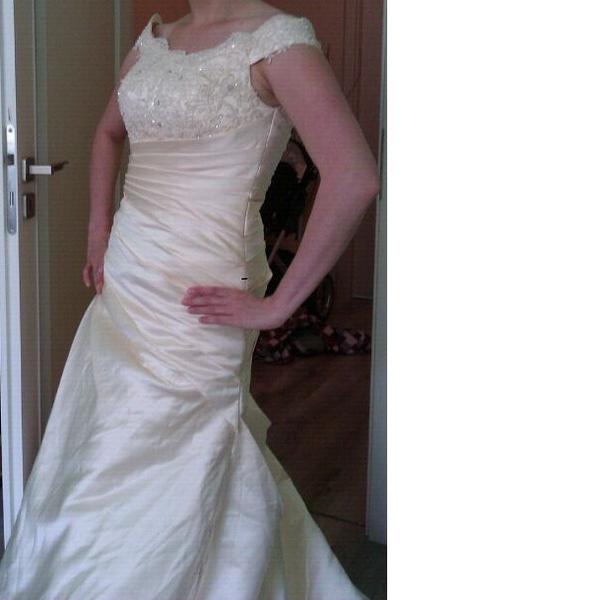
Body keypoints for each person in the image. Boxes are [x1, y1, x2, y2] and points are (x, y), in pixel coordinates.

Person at [0, 1, 380, 597]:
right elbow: (108, 133)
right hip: (131, 274)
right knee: (112, 436)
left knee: (189, 437)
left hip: (206, 285)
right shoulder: (155, 39)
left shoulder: (277, 40)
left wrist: (279, 306)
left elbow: (354, 175)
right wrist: (99, 231)